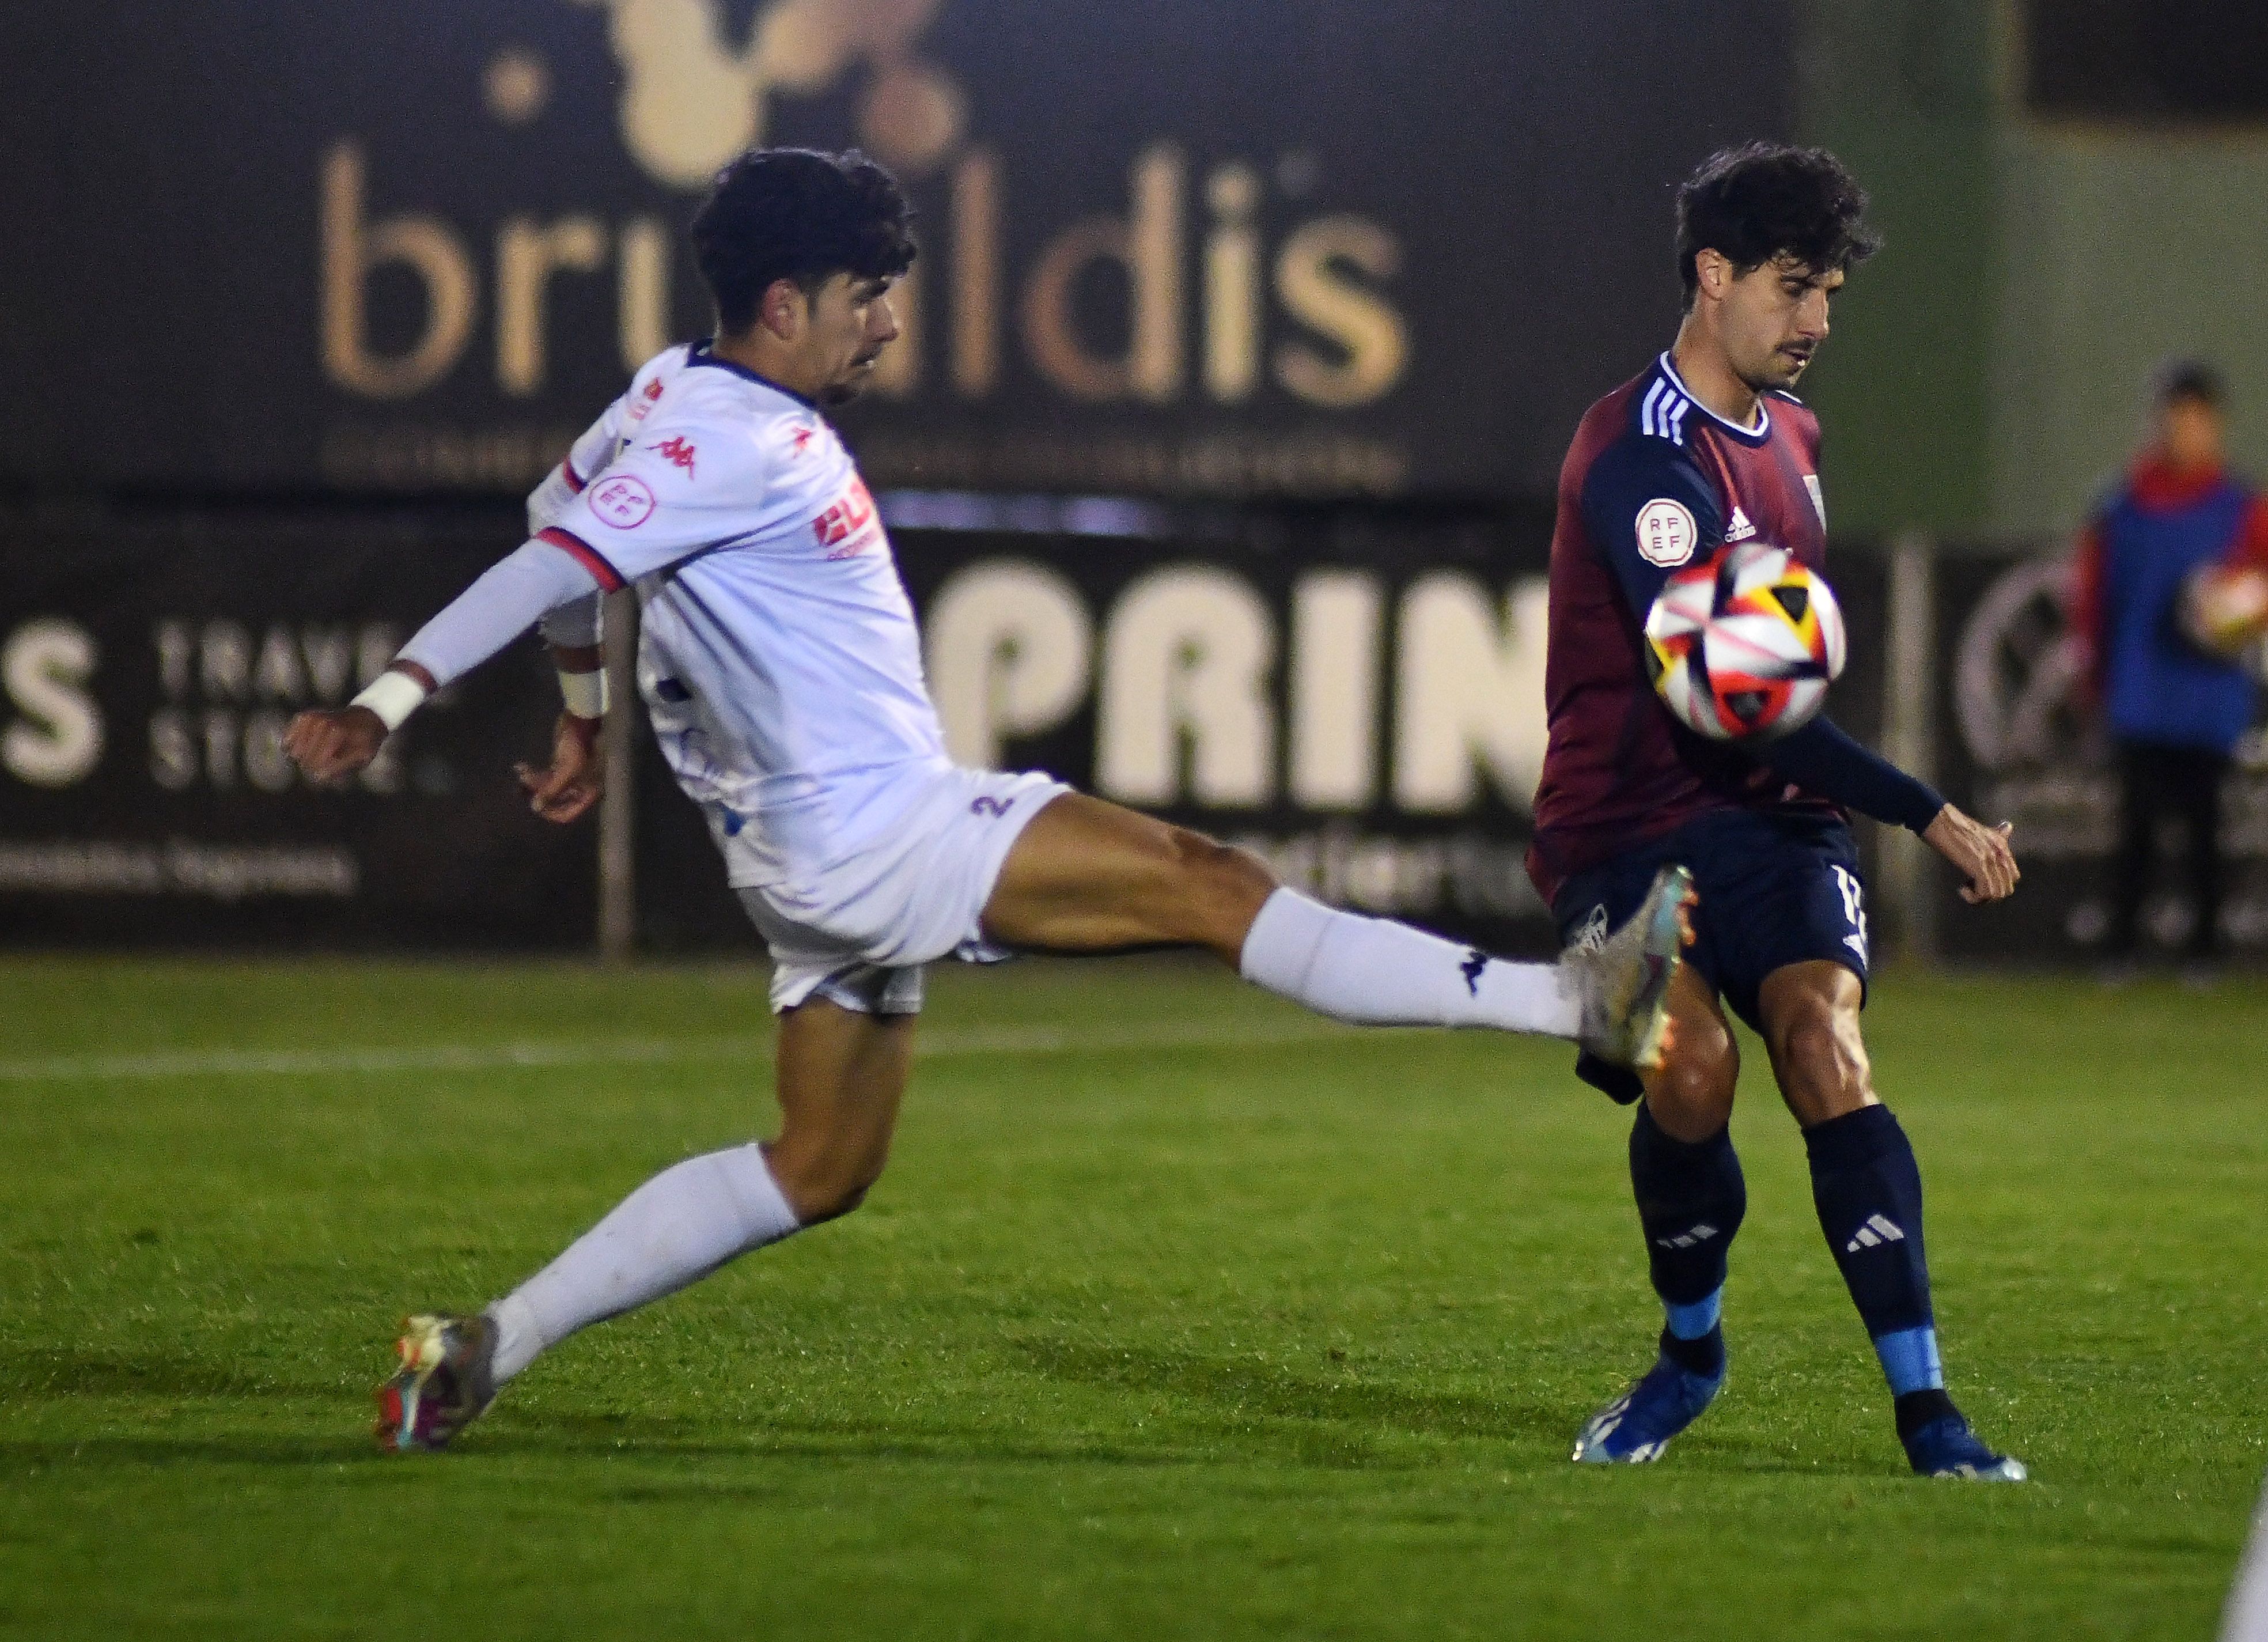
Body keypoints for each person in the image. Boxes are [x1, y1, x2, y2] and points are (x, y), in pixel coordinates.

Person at [283, 147, 1693, 1453]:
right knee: (1208, 884)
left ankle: (484, 1345)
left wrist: (583, 715)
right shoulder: (738, 443)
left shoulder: (670, 393)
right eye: (866, 297)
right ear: (785, 303)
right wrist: (388, 700)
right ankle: (1576, 1001)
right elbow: (551, 565)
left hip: (801, 862)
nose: (886, 325)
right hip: (872, 829)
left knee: (819, 1168)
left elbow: (554, 512)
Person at [1525, 142, 2027, 1479]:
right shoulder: (1633, 458)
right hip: (1605, 840)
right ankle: (1689, 1355)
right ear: (1712, 274)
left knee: (1824, 1047)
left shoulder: (1794, 436)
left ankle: (1929, 1415)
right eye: (1794, 286)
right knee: (1687, 1073)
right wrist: (1927, 811)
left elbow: (1768, 711)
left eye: (1833, 292)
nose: (1817, 320)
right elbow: (1731, 697)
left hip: (1773, 825)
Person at [2070, 361, 2268, 972]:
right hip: (2140, 692)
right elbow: (2092, 593)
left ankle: (2203, 952)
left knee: (2207, 827)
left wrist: (2236, 612)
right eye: (2176, 420)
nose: (2187, 432)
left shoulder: (2241, 508)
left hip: (2209, 696)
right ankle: (2120, 949)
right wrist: (2094, 671)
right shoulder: (2123, 506)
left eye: (2198, 421)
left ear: (2215, 426)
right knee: (2136, 826)